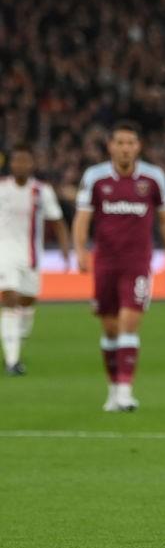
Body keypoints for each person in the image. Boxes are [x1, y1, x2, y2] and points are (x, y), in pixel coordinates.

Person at [72, 120, 165, 411]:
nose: (125, 148)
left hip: (137, 264)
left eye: (130, 143)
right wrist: (80, 250)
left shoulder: (153, 178)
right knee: (109, 330)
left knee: (129, 324)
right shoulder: (95, 177)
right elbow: (82, 217)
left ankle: (124, 391)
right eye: (119, 143)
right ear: (110, 146)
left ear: (138, 147)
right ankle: (112, 391)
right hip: (105, 263)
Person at [0, 144, 70, 375]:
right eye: (17, 160)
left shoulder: (42, 191)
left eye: (25, 160)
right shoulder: (2, 189)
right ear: (11, 164)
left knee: (27, 303)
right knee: (9, 298)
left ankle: (15, 342)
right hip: (5, 254)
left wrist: (65, 247)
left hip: (31, 257)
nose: (21, 164)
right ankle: (12, 361)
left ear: (32, 164)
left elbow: (57, 220)